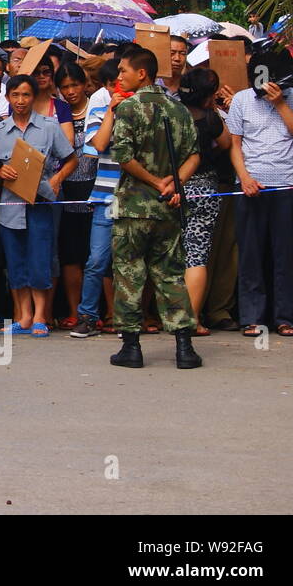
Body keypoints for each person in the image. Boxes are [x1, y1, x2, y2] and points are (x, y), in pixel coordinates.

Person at [107, 47, 203, 368]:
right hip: (167, 210)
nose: (119, 76)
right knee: (170, 275)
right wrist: (172, 183)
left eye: (123, 70)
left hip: (134, 208)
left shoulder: (129, 109)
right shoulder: (178, 110)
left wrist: (153, 181)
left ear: (142, 73)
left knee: (130, 274)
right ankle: (184, 348)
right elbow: (194, 155)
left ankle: (131, 347)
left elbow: (122, 155)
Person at [227, 58, 293, 338]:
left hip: (287, 185)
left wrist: (281, 104)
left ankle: (285, 317)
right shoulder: (241, 100)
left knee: (284, 253)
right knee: (251, 253)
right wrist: (245, 177)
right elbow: (235, 146)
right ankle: (252, 317)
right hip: (250, 186)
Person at [0, 74, 75, 336]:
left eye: (26, 95)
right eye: (15, 95)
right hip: (10, 206)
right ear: (7, 98)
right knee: (16, 262)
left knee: (40, 260)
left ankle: (40, 316)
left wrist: (58, 178)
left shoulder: (49, 126)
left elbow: (71, 159)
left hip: (41, 202)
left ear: (34, 97)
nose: (20, 100)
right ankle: (24, 316)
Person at [70, 59, 122, 338]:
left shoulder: (146, 106)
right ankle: (88, 316)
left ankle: (127, 318)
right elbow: (98, 144)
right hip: (106, 195)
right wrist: (113, 111)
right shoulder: (100, 104)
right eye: (115, 82)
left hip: (138, 195)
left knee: (133, 262)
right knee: (97, 260)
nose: (119, 87)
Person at [179, 68, 232, 337]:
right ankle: (192, 320)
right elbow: (226, 142)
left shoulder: (171, 113)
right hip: (205, 189)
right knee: (196, 257)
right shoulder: (210, 118)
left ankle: (165, 315)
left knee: (170, 257)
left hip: (173, 189)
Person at [55, 61, 95, 328]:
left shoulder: (97, 109)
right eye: (65, 87)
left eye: (75, 85)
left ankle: (98, 311)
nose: (70, 91)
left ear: (85, 84)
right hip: (67, 187)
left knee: (96, 254)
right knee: (71, 254)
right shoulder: (59, 113)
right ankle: (74, 310)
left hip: (95, 185)